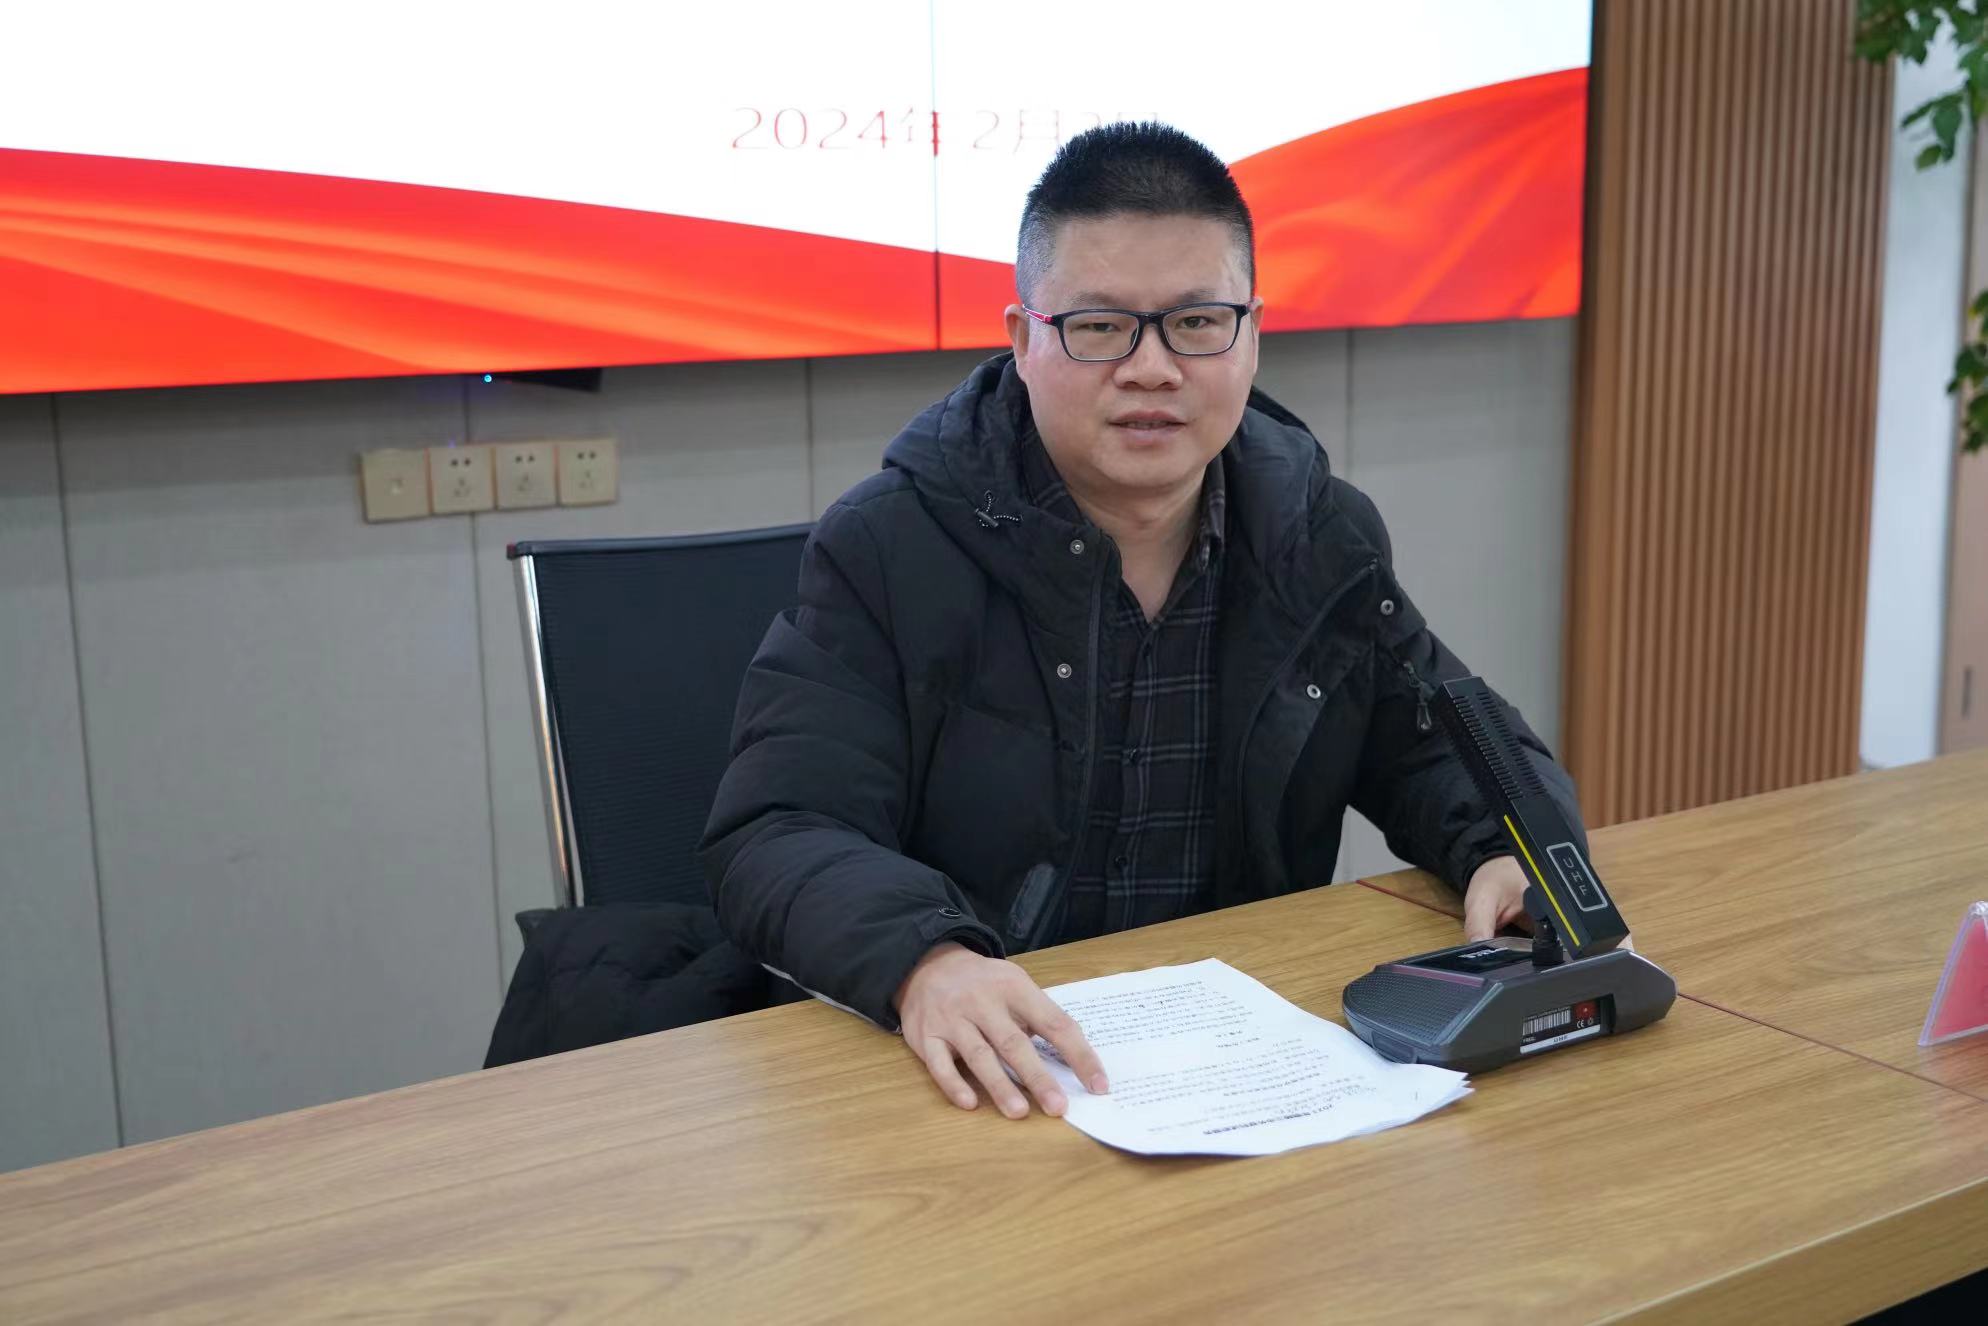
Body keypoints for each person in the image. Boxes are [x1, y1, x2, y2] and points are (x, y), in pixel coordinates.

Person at [701, 121, 1587, 1122]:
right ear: (1022, 339)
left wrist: (1507, 848)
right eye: (1098, 327)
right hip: (988, 1075)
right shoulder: (891, 545)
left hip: (1244, 1064)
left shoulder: (1314, 534)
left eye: (1198, 322)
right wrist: (926, 961)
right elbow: (778, 829)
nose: (1152, 368)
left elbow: (1443, 741)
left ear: (1251, 332)